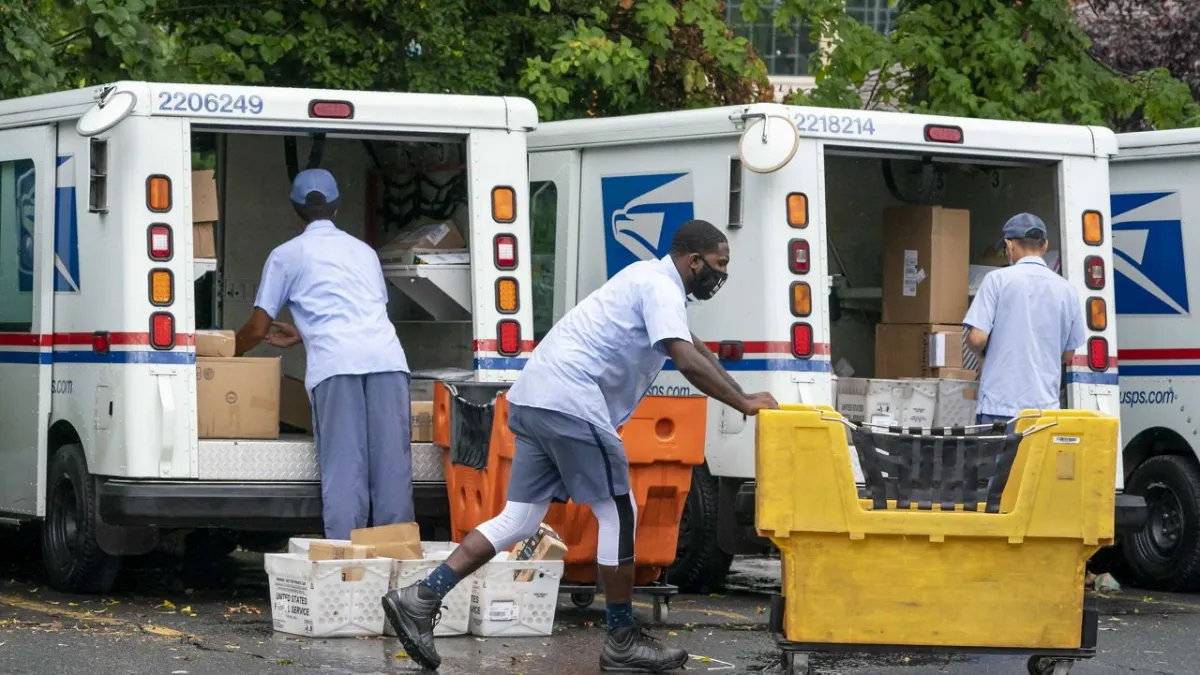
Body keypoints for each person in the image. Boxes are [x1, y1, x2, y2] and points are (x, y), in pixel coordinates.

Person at [382, 219, 778, 672]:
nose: (722, 273)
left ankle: (420, 597)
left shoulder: (648, 279)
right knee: (619, 511)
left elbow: (692, 345)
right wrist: (742, 403)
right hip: (570, 400)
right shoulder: (659, 287)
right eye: (719, 264)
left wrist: (744, 393)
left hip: (535, 398)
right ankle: (621, 638)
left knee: (519, 519)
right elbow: (686, 360)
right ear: (694, 261)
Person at [234, 168, 414, 540]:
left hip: (336, 366)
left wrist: (224, 353)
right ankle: (396, 556)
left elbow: (257, 327)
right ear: (336, 206)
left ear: (295, 211)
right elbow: (360, 313)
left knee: (345, 468)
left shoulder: (286, 255)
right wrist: (305, 332)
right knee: (392, 469)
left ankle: (347, 562)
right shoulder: (364, 252)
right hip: (387, 360)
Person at [963, 212, 1085, 428]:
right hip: (1044, 410)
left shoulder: (996, 280)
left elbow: (977, 338)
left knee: (997, 453)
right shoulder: (1067, 290)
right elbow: (1068, 354)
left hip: (1000, 407)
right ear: (1045, 245)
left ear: (1009, 245)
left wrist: (982, 353)